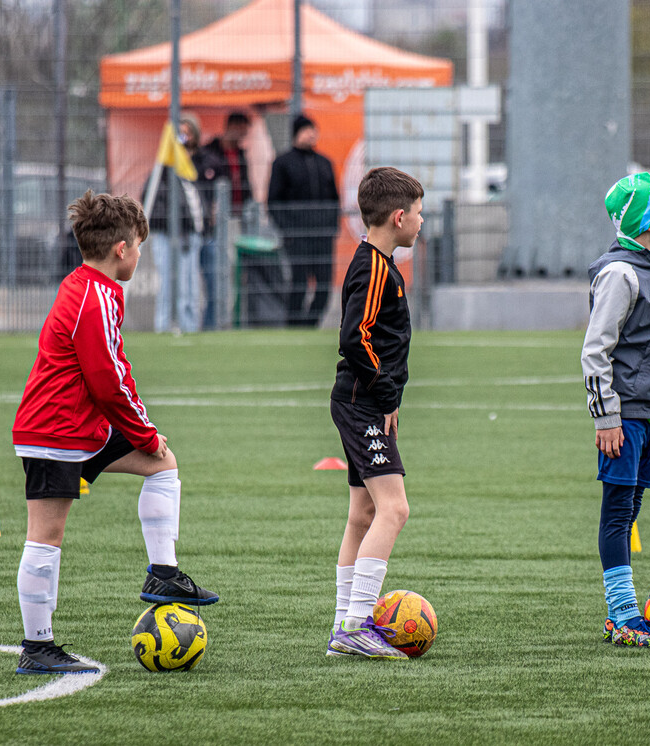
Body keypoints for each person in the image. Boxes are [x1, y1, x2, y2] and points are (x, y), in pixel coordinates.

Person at [11, 191, 218, 675]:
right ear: (121, 249)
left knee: (163, 464)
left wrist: (146, 434)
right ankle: (37, 646)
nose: (140, 254)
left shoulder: (92, 288)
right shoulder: (94, 297)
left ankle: (163, 573)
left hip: (83, 427)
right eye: (139, 246)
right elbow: (107, 381)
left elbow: (115, 368)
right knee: (46, 535)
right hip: (55, 430)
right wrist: (144, 432)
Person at [582, 172, 650, 648]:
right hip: (626, 414)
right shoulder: (620, 273)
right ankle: (623, 615)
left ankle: (622, 614)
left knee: (631, 508)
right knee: (617, 511)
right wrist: (606, 417)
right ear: (648, 222)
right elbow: (596, 350)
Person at [326, 167, 423, 660]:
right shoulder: (373, 268)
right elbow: (355, 338)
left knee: (362, 513)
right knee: (394, 509)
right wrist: (385, 396)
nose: (422, 222)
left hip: (363, 402)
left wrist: (390, 399)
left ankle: (342, 627)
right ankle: (356, 624)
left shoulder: (381, 264)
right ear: (399, 217)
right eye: (420, 213)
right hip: (361, 403)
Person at [268, 114, 340, 327]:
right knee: (298, 284)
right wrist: (287, 230)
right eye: (306, 130)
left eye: (313, 130)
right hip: (296, 237)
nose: (311, 134)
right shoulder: (283, 163)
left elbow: (334, 200)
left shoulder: (324, 163)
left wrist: (331, 228)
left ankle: (309, 325)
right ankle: (293, 326)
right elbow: (274, 201)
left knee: (324, 286)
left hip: (322, 236)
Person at [200, 111, 253, 330]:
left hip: (236, 219)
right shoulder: (211, 153)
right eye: (240, 129)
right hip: (215, 224)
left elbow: (246, 187)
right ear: (231, 126)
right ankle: (213, 321)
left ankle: (228, 320)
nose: (242, 135)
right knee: (217, 273)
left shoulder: (241, 155)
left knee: (233, 271)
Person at [148, 152, 205, 333]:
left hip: (189, 239)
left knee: (189, 287)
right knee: (169, 286)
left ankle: (189, 327)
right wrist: (177, 226)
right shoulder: (160, 179)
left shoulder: (189, 178)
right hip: (168, 239)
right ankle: (164, 326)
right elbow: (155, 211)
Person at [181, 113, 228, 330]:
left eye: (188, 132)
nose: (185, 137)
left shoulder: (210, 161)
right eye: (181, 133)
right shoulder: (172, 163)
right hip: (186, 233)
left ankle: (210, 327)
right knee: (186, 283)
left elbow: (222, 189)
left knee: (213, 281)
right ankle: (186, 326)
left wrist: (216, 209)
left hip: (208, 232)